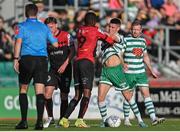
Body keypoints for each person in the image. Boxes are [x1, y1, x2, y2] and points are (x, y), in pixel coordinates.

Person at [59, 11, 115, 128]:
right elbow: (110, 40)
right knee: (87, 93)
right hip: (87, 62)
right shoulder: (95, 30)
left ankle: (64, 119)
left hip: (77, 62)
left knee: (77, 95)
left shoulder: (80, 30)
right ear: (94, 21)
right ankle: (80, 120)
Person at [13, 4, 58, 130]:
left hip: (27, 59)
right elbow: (55, 44)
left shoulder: (21, 26)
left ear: (26, 13)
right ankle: (39, 122)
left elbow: (18, 42)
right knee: (39, 91)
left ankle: (24, 122)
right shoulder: (44, 27)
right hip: (42, 60)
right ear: (37, 13)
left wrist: (16, 59)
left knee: (23, 89)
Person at [98, 18, 147, 128]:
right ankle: (105, 121)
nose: (110, 29)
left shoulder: (120, 37)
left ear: (118, 28)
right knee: (100, 98)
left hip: (116, 71)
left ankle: (140, 120)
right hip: (105, 72)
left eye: (113, 27)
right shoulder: (102, 40)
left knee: (128, 96)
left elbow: (110, 37)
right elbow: (99, 53)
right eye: (109, 27)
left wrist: (96, 31)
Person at [122, 20, 165, 126]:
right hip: (129, 73)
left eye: (137, 30)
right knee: (129, 96)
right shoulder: (125, 39)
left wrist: (151, 70)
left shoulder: (143, 41)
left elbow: (145, 56)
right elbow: (120, 53)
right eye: (133, 29)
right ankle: (127, 119)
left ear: (141, 30)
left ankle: (153, 118)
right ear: (131, 30)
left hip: (141, 72)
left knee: (146, 95)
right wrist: (123, 64)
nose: (135, 31)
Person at [43, 17, 75, 128]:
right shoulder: (46, 38)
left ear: (56, 25)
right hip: (53, 70)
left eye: (51, 27)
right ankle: (50, 117)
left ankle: (62, 120)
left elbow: (73, 51)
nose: (49, 29)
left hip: (65, 69)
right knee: (47, 94)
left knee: (64, 96)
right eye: (47, 27)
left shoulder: (66, 35)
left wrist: (66, 64)